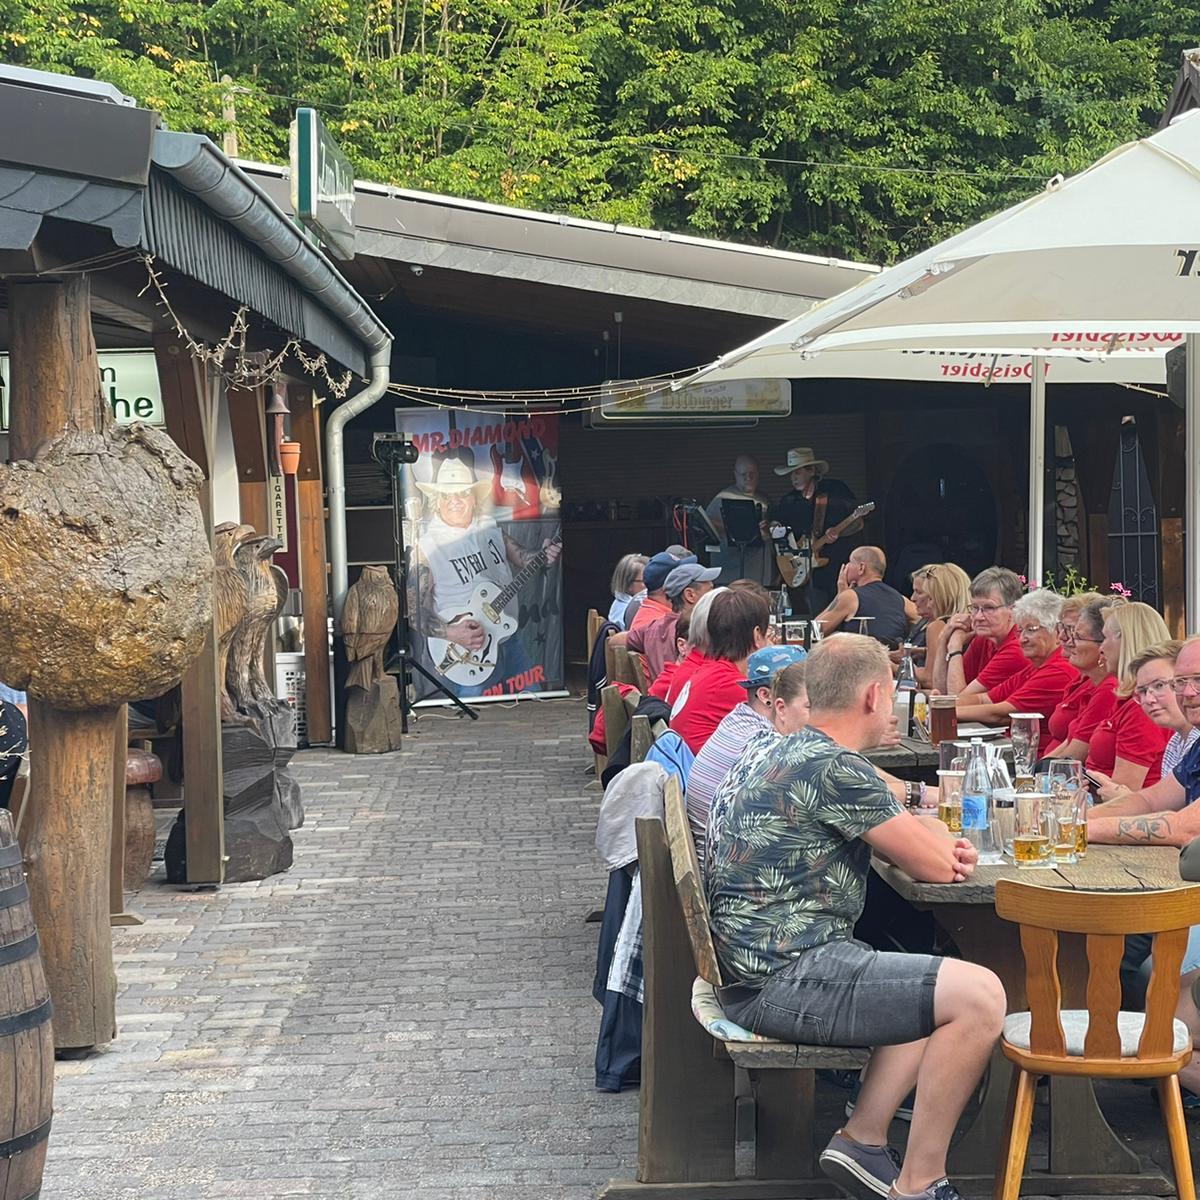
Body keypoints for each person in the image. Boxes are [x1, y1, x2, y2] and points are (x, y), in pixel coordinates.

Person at [706, 635, 1004, 1200]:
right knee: (980, 995)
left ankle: (863, 1139)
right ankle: (919, 1184)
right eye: (891, 696)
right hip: (783, 979)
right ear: (874, 696)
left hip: (757, 968)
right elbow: (937, 866)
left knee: (923, 976)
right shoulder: (835, 766)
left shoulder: (782, 746)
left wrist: (931, 840)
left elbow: (922, 847)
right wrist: (942, 840)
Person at [410, 453, 561, 697]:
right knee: (475, 717)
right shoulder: (427, 547)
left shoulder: (489, 528)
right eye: (447, 496)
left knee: (534, 700)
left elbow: (523, 557)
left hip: (506, 635)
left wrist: (544, 554)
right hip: (467, 648)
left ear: (473, 498)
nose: (455, 501)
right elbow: (414, 610)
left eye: (462, 493)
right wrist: (453, 633)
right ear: (437, 501)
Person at [686, 645, 807, 862]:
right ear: (766, 696)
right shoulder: (765, 746)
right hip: (728, 874)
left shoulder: (738, 721)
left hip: (713, 863)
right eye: (809, 702)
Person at [1088, 637, 1200, 845]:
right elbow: (1149, 800)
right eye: (1181, 682)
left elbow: (1187, 827)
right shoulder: (1194, 747)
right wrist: (1071, 820)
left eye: (1199, 680)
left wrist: (1082, 828)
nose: (1188, 692)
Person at [953, 590, 1077, 756]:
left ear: (1056, 632)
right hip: (1016, 756)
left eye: (1031, 630)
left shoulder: (1059, 670)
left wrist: (944, 712)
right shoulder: (1036, 666)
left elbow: (1001, 714)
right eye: (1020, 631)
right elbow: (984, 698)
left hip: (1030, 764)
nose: (1022, 639)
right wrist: (942, 705)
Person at [1081, 601, 1173, 791]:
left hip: (1121, 813)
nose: (1101, 648)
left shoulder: (1144, 707)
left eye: (1105, 638)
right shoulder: (1128, 699)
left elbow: (1123, 793)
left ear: (1126, 641)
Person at [670, 588, 770, 754]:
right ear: (757, 636)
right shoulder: (729, 685)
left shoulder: (709, 671)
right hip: (710, 779)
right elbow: (785, 728)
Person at [768, 447, 860, 613]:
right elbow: (774, 522)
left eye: (797, 472)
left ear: (811, 471)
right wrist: (775, 526)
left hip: (834, 569)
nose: (793, 478)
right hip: (802, 573)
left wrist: (839, 532)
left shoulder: (835, 491)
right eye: (792, 473)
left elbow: (858, 522)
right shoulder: (789, 500)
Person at [932, 567, 1027, 699]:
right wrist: (943, 639)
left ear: (1014, 610)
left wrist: (955, 647)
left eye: (989, 608)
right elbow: (941, 693)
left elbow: (957, 700)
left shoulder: (1017, 649)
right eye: (975, 608)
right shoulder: (985, 638)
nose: (978, 617)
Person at [625, 562, 720, 685]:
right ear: (690, 595)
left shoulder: (651, 628)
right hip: (686, 699)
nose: (716, 596)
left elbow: (614, 640)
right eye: (710, 591)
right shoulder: (700, 632)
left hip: (661, 697)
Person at [1040, 593, 1110, 754]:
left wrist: (1036, 775)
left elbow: (1074, 755)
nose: (1063, 638)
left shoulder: (1108, 688)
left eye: (1074, 632)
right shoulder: (1084, 680)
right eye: (1061, 627)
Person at [815, 546, 910, 644]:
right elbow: (921, 623)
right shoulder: (901, 599)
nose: (846, 566)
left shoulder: (850, 597)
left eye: (850, 562)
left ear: (861, 567)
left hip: (861, 656)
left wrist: (840, 595)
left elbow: (816, 631)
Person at [897, 563, 971, 688]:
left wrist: (891, 666)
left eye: (919, 592)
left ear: (938, 596)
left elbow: (930, 679)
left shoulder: (938, 626)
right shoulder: (969, 624)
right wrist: (924, 652)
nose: (912, 598)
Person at [705, 455, 772, 586]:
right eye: (743, 474)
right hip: (732, 574)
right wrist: (738, 526)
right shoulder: (722, 500)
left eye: (752, 474)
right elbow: (710, 526)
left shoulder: (764, 498)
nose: (748, 478)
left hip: (760, 574)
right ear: (735, 474)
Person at [607, 554, 647, 629]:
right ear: (628, 584)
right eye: (645, 581)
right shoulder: (628, 610)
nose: (650, 584)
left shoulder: (620, 602)